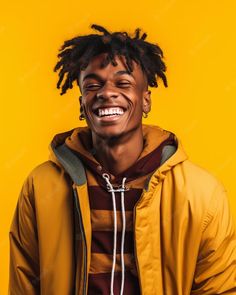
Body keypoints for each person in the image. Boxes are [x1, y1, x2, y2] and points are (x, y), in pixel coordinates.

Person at [9, 24, 236, 295]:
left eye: (123, 83)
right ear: (82, 104)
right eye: (93, 85)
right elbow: (24, 286)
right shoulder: (41, 187)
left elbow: (220, 290)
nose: (106, 92)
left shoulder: (201, 194)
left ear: (145, 100)